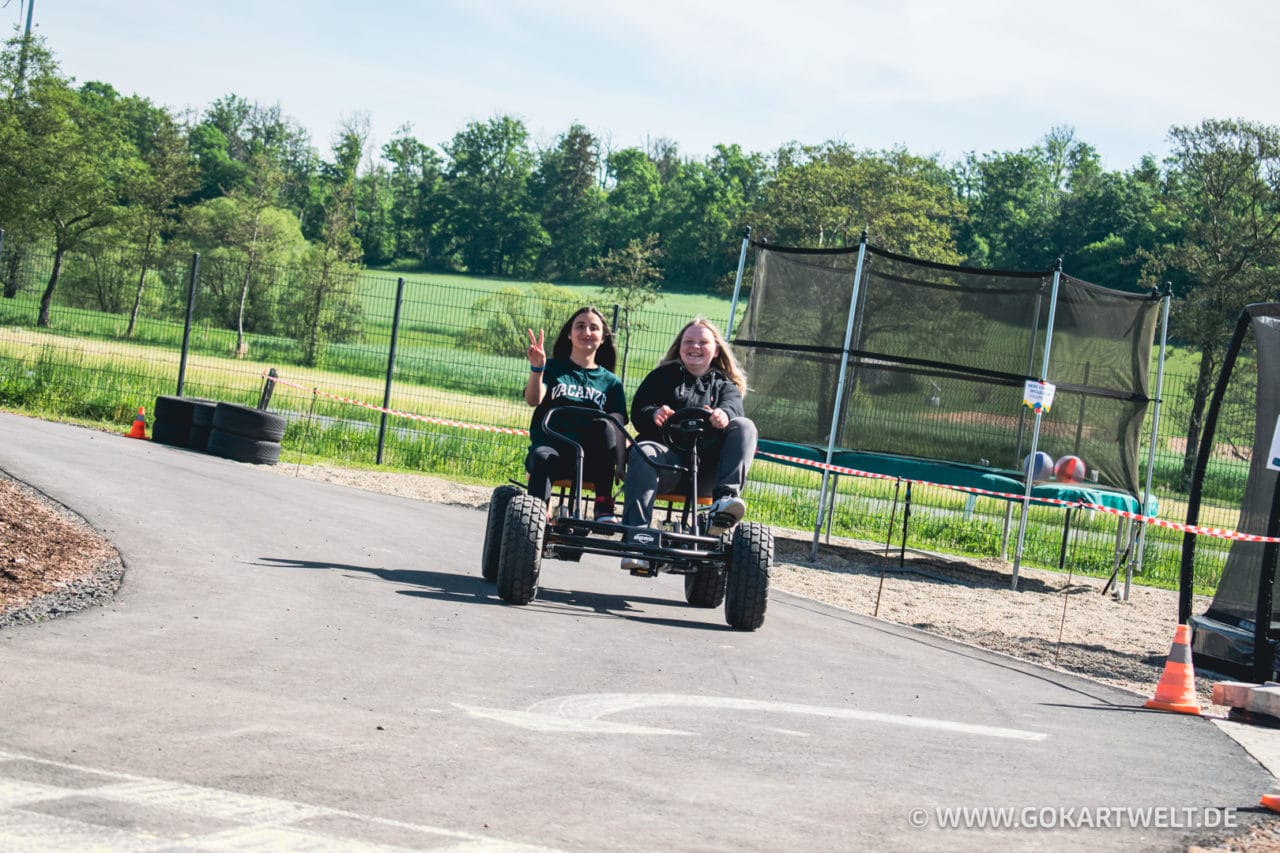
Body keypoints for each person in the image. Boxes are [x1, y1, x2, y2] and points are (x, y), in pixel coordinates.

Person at [620, 317, 757, 569]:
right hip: (666, 466)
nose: (695, 347)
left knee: (745, 425)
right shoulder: (661, 377)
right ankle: (637, 538)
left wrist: (723, 415)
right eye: (689, 341)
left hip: (707, 473)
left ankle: (724, 504)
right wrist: (654, 413)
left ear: (715, 350)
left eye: (702, 342)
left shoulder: (725, 385)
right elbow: (639, 410)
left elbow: (734, 406)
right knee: (644, 450)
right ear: (679, 346)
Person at [524, 306, 627, 522]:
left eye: (593, 328)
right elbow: (533, 399)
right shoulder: (552, 369)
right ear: (569, 334)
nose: (586, 332)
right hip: (554, 452)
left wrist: (620, 463)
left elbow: (617, 425)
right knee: (542, 456)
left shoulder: (611, 383)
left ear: (603, 338)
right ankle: (538, 513)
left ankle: (603, 504)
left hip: (593, 460)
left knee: (604, 425)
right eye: (580, 326)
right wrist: (537, 369)